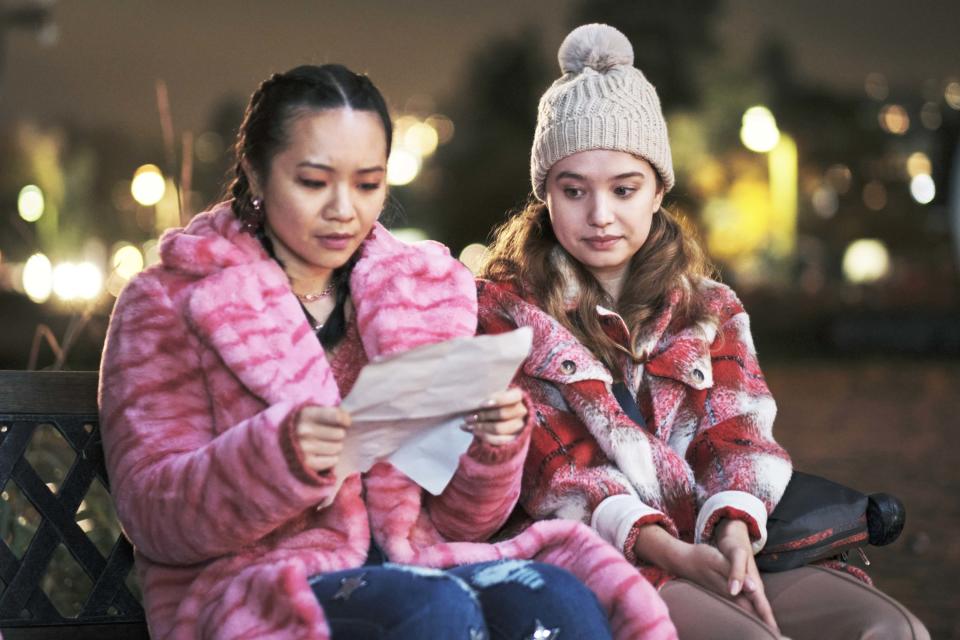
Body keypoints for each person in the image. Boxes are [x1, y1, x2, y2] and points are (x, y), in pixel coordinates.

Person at [99, 64, 678, 640]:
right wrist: (276, 456)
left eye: (368, 184)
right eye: (313, 182)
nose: (344, 209)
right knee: (435, 613)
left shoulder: (418, 292)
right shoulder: (171, 301)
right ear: (255, 173)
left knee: (561, 601)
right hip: (262, 587)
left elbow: (462, 522)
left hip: (420, 562)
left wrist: (490, 450)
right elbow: (153, 513)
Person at [477, 24, 930, 640]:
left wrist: (736, 529)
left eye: (624, 188)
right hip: (601, 555)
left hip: (724, 537)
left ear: (658, 189)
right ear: (545, 196)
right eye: (573, 190)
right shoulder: (506, 312)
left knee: (887, 630)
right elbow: (558, 472)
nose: (600, 215)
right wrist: (673, 552)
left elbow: (738, 436)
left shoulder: (709, 308)